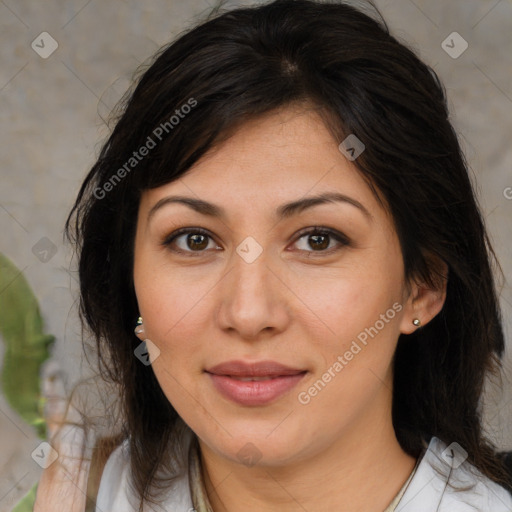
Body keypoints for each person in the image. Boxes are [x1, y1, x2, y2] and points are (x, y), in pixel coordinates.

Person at [34, 0, 512, 511]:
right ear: (128, 280)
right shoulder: (60, 493)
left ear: (422, 285)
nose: (248, 312)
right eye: (195, 239)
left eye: (318, 240)